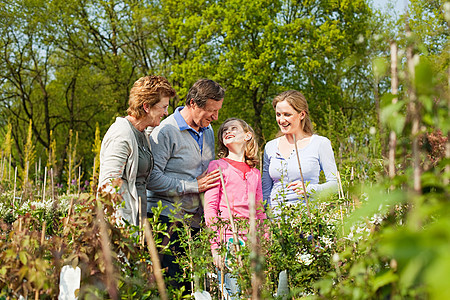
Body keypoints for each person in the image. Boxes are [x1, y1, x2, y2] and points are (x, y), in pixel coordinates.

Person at [146, 78, 225, 293]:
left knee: (194, 288)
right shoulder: (165, 131)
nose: (215, 117)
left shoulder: (207, 131)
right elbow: (152, 179)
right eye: (211, 111)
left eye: (217, 111)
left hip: (195, 224)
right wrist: (192, 186)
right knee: (172, 288)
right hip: (167, 221)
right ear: (192, 103)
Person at [98, 75, 176, 226]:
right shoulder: (121, 135)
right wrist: (120, 231)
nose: (166, 112)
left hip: (137, 220)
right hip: (122, 225)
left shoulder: (141, 132)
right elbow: (108, 186)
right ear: (147, 107)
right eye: (164, 107)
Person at [204, 118, 267, 299]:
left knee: (252, 293)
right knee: (232, 293)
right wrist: (216, 246)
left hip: (252, 244)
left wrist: (265, 243)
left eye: (233, 128)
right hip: (229, 241)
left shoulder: (254, 172)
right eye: (224, 130)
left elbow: (260, 212)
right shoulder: (217, 166)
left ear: (247, 135)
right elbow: (210, 209)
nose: (227, 131)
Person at [262, 90, 338, 214]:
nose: (281, 120)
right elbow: (266, 188)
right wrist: (265, 219)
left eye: (287, 114)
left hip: (307, 221)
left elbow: (335, 185)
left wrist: (309, 189)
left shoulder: (320, 143)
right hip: (276, 222)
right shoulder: (270, 147)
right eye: (278, 114)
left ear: (302, 114)